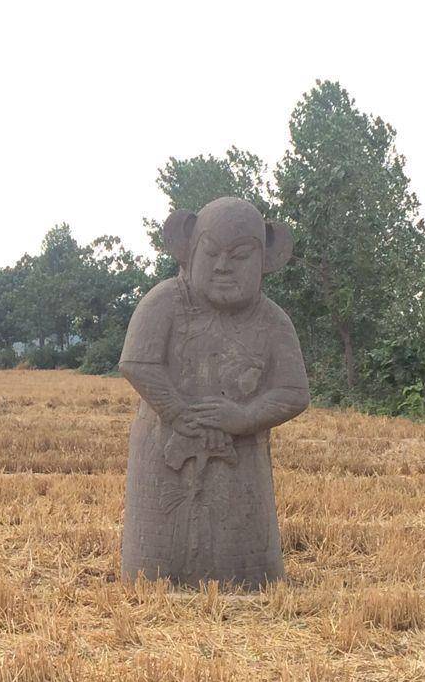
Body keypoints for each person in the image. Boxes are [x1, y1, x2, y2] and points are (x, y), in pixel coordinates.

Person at [119, 196, 309, 588]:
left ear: (263, 262)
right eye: (212, 252)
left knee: (242, 546)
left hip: (242, 456)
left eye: (239, 256)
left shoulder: (272, 321)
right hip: (164, 447)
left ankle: (247, 582)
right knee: (157, 558)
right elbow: (136, 363)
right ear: (190, 253)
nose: (223, 265)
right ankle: (156, 583)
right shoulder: (164, 302)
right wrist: (177, 413)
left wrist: (245, 418)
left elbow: (294, 391)